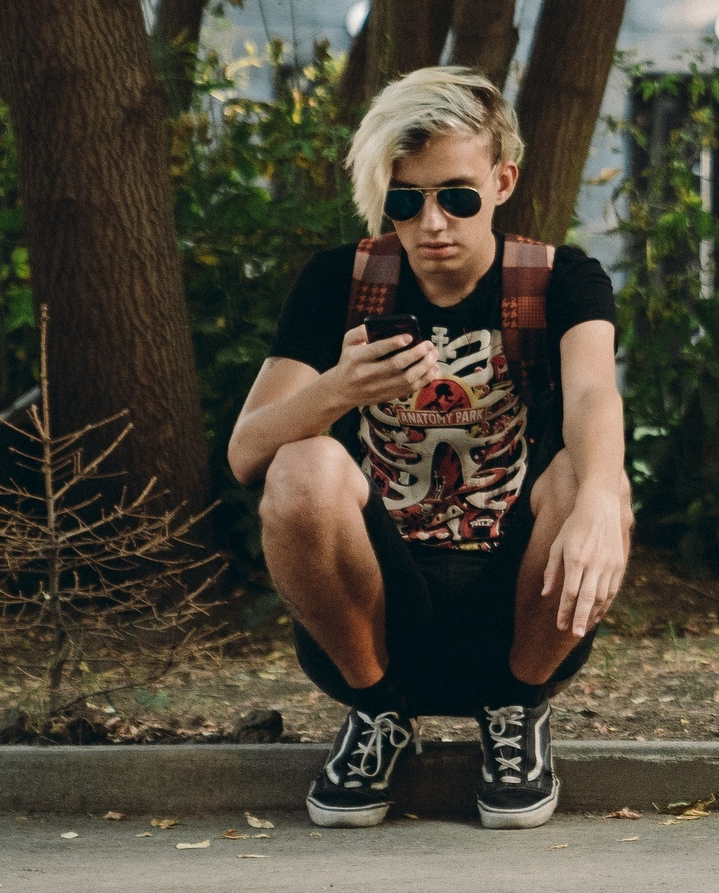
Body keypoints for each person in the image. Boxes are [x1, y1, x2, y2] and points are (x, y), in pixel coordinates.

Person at [230, 67, 630, 831]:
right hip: (374, 617)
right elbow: (246, 451)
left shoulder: (557, 281)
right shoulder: (340, 281)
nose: (433, 222)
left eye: (458, 195)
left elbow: (590, 396)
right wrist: (337, 390)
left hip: (520, 612)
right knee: (301, 462)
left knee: (593, 473)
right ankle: (377, 716)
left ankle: (516, 712)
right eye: (406, 199)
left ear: (503, 179)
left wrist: (605, 501)